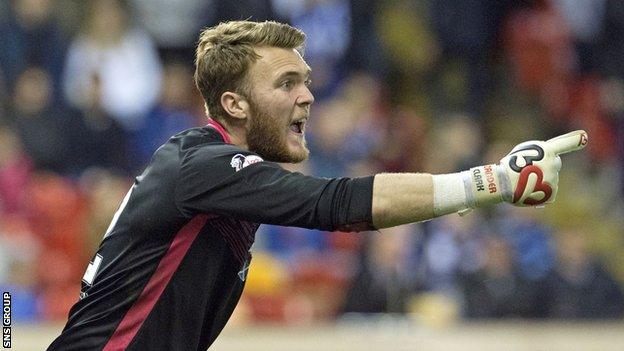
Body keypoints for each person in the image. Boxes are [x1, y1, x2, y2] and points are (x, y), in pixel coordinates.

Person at [47, 20, 588, 350]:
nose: (307, 97)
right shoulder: (204, 166)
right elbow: (334, 204)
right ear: (234, 104)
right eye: (287, 83)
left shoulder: (213, 172)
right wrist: (489, 181)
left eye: (306, 81)